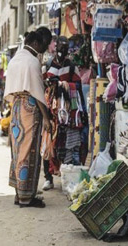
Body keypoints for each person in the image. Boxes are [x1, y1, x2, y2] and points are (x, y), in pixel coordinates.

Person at [3, 28, 52, 208]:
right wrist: (46, 118)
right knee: (28, 152)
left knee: (18, 152)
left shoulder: (16, 58)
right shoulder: (31, 62)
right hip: (30, 109)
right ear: (36, 44)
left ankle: (19, 193)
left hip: (16, 106)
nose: (44, 50)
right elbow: (37, 91)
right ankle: (26, 197)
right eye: (44, 46)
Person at [43, 36, 87, 191]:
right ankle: (48, 177)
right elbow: (42, 85)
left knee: (67, 144)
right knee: (49, 143)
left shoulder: (71, 65)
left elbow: (78, 85)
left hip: (68, 111)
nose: (63, 50)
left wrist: (62, 85)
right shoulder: (48, 64)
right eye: (61, 47)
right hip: (51, 110)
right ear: (55, 47)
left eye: (65, 47)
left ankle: (67, 177)